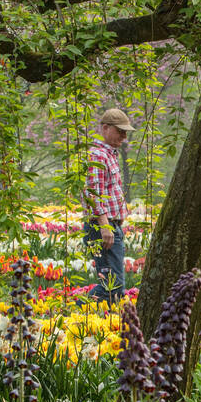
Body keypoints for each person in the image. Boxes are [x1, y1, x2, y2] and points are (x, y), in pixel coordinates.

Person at [84, 108, 134, 302]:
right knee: (112, 288)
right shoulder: (97, 155)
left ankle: (98, 320)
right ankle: (77, 312)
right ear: (105, 128)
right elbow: (94, 192)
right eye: (120, 131)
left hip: (111, 226)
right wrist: (105, 225)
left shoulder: (110, 154)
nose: (124, 136)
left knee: (114, 287)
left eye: (125, 132)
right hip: (102, 227)